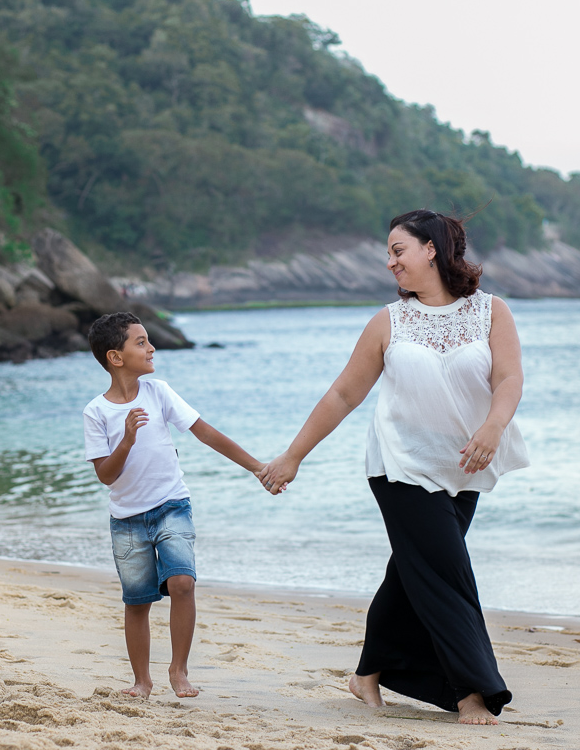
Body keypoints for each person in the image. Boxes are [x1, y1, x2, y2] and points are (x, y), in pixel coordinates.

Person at [258, 209, 529, 725]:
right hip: (399, 466)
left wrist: (494, 427)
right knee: (448, 573)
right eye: (389, 254)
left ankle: (369, 671)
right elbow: (343, 393)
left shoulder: (492, 312)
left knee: (413, 572)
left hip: (464, 466)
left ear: (431, 249)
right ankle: (473, 691)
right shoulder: (389, 321)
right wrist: (293, 456)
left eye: (398, 251)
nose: (390, 263)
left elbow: (509, 379)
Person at [83, 311, 266, 699]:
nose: (151, 348)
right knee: (137, 602)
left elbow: (205, 433)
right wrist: (128, 439)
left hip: (171, 505)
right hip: (127, 520)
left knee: (182, 582)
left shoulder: (159, 392)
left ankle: (178, 670)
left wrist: (256, 467)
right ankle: (141, 681)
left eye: (149, 340)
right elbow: (106, 475)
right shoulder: (96, 412)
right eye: (141, 342)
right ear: (115, 358)